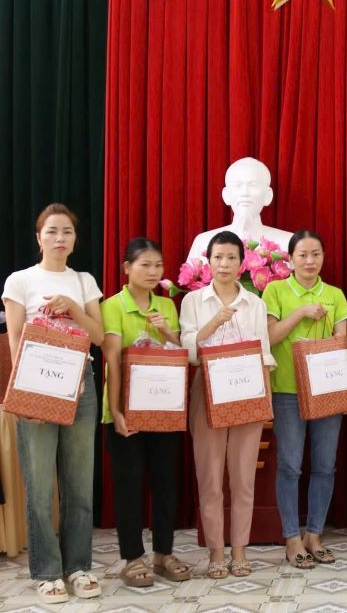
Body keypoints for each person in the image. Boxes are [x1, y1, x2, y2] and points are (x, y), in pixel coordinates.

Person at [2, 203, 104, 603]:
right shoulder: (20, 281)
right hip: (35, 385)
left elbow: (97, 335)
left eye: (67, 232)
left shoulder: (84, 280)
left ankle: (78, 566)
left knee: (80, 485)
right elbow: (14, 342)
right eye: (52, 231)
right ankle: (47, 571)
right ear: (38, 237)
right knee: (40, 485)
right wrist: (21, 393)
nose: (60, 238)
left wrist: (73, 307)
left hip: (82, 386)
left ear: (75, 240)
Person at [180, 230, 276, 579]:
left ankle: (239, 551)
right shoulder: (193, 302)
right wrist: (212, 323)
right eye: (218, 257)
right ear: (208, 261)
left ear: (242, 263)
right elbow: (188, 351)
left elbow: (265, 352)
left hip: (247, 393)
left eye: (231, 257)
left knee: (243, 477)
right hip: (206, 394)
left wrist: (265, 398)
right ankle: (215, 552)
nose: (224, 264)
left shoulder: (255, 303)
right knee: (209, 477)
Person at [262, 229, 347, 569]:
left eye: (316, 254)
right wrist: (300, 313)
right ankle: (291, 537)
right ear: (290, 259)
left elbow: (341, 344)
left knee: (325, 465)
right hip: (287, 389)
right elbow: (269, 337)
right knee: (289, 465)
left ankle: (314, 534)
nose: (310, 261)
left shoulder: (334, 295)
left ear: (323, 257)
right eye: (302, 254)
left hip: (329, 389)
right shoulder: (275, 290)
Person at [101, 237, 192, 586]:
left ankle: (163, 554)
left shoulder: (168, 306)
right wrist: (117, 411)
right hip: (125, 412)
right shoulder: (112, 306)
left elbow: (179, 353)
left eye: (158, 265)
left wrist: (167, 331)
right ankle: (132, 558)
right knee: (129, 484)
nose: (153, 271)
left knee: (166, 483)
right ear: (126, 268)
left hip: (165, 409)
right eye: (145, 265)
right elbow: (111, 360)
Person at [187, 157, 294, 262]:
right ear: (226, 195)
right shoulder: (203, 242)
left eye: (253, 185)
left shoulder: (288, 242)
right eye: (237, 185)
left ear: (268, 195)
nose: (245, 193)